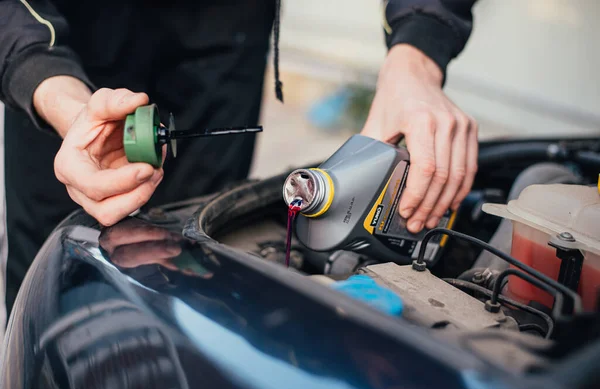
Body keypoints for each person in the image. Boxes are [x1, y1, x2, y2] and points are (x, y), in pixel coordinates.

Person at [0, 0, 478, 316]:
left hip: (226, 42)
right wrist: (59, 95)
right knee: (60, 293)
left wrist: (417, 54)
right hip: (68, 59)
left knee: (202, 282)